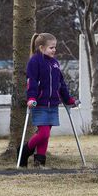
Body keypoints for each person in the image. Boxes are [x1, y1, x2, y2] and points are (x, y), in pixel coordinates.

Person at [20, 33, 77, 168]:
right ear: (41, 48)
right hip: (40, 103)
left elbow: (61, 83)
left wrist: (68, 99)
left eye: (55, 47)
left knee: (45, 135)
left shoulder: (55, 63)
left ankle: (39, 162)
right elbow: (32, 81)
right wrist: (32, 98)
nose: (54, 50)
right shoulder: (35, 61)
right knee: (44, 133)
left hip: (53, 104)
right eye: (51, 47)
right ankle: (24, 151)